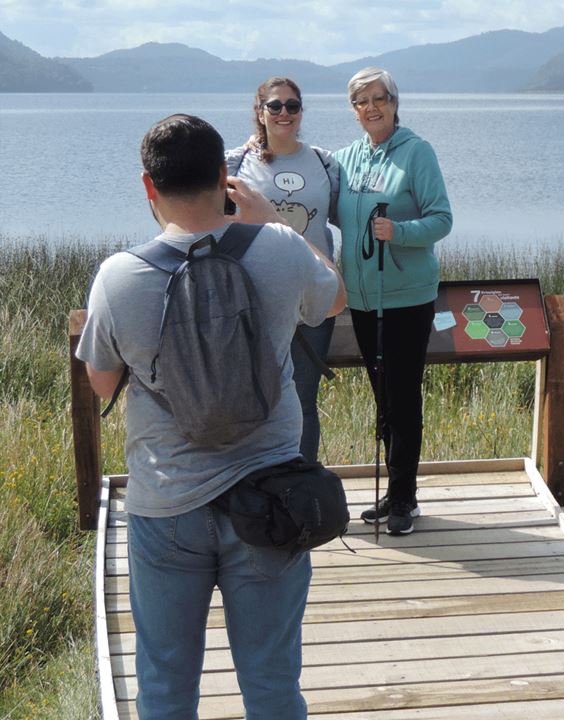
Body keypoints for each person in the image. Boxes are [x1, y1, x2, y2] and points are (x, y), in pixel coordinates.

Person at [76, 114, 345, 719]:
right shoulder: (278, 249)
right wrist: (274, 221)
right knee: (272, 684)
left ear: (149, 185)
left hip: (167, 502)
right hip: (273, 498)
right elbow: (335, 298)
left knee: (166, 685)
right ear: (224, 177)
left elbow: (101, 382)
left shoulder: (119, 276)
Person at [336, 67, 452, 536]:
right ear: (353, 110)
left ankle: (405, 497)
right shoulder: (344, 159)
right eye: (361, 101)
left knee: (403, 398)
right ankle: (396, 490)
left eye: (379, 98)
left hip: (407, 298)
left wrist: (399, 232)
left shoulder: (417, 152)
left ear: (395, 102)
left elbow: (442, 219)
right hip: (363, 300)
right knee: (383, 397)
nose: (371, 108)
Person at [227, 76, 340, 462]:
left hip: (313, 295)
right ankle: (261, 484)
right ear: (260, 112)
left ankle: (302, 486)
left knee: (304, 399)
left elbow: (344, 217)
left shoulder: (325, 162)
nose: (284, 113)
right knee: (255, 398)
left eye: (292, 106)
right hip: (256, 300)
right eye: (274, 106)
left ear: (301, 111)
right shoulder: (235, 162)